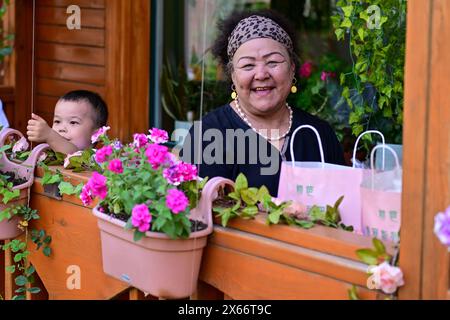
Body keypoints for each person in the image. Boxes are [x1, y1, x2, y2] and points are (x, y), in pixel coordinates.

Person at [181, 10, 345, 197]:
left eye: (273, 62)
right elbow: (199, 214)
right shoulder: (208, 135)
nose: (261, 74)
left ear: (292, 69)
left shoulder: (320, 134)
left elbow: (342, 209)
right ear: (233, 76)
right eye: (248, 65)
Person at [26, 90, 108, 154]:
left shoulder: (94, 159)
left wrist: (49, 135)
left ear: (97, 134)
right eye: (57, 121)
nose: (62, 128)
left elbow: (72, 154)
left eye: (73, 122)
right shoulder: (48, 152)